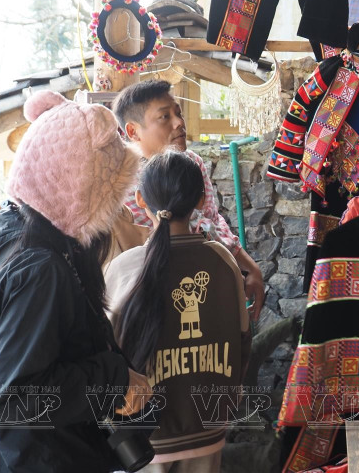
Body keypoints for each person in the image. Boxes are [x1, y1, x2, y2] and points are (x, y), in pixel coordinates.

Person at [0, 91, 152, 473]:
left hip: (2, 452)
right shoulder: (40, 268)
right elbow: (16, 398)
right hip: (36, 458)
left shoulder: (7, 232)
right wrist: (113, 381)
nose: (116, 206)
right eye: (112, 190)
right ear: (82, 184)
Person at [105, 150, 251, 473]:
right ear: (201, 200)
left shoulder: (123, 269)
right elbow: (243, 342)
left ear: (140, 200)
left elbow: (104, 353)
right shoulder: (224, 262)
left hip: (144, 439)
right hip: (208, 429)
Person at [111, 80, 264, 321]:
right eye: (164, 117)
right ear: (132, 132)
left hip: (204, 292)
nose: (179, 123)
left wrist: (250, 266)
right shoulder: (117, 183)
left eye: (178, 113)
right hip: (148, 307)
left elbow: (211, 221)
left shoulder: (192, 163)